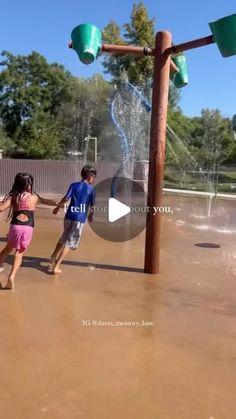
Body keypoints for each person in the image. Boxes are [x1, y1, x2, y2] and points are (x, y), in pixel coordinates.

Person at [0, 172, 58, 290]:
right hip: (27, 228)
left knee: (6, 250)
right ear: (29, 185)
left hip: (15, 226)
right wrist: (58, 203)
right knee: (19, 253)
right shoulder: (34, 197)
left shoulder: (13, 196)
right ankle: (12, 276)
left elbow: (1, 209)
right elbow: (47, 201)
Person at [50, 165, 97, 274]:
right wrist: (91, 216)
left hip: (68, 216)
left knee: (64, 235)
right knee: (70, 242)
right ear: (90, 178)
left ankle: (53, 255)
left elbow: (66, 198)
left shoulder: (74, 185)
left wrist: (57, 208)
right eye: (93, 178)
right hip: (79, 219)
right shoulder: (91, 190)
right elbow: (92, 206)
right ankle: (56, 266)